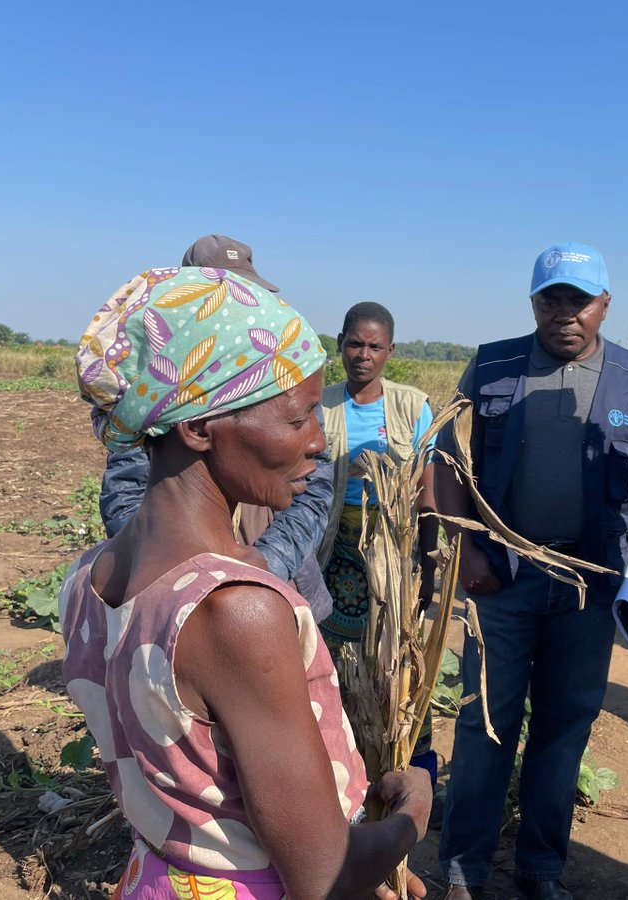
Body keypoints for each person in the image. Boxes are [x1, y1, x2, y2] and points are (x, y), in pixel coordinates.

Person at [63, 267, 431, 899]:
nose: (319, 443)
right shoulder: (235, 610)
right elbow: (323, 877)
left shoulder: (90, 577)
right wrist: (410, 817)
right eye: (298, 420)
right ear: (199, 427)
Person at [435, 242, 628, 900]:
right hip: (501, 578)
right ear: (533, 302)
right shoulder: (492, 364)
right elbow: (446, 462)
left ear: (604, 306)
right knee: (485, 723)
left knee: (565, 728)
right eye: (551, 298)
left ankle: (541, 870)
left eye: (580, 299)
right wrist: (467, 549)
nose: (566, 312)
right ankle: (463, 868)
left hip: (587, 584)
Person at [98, 235, 334, 614]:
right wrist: (179, 568)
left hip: (274, 584)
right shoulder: (156, 397)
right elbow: (125, 492)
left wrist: (264, 565)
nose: (315, 440)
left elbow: (316, 486)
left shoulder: (285, 381)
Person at [317, 301, 440, 784]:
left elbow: (428, 490)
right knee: (331, 664)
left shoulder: (411, 406)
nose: (362, 355)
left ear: (390, 351)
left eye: (374, 346)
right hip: (330, 550)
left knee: (398, 661)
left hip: (394, 550)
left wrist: (427, 565)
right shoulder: (319, 403)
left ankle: (413, 775)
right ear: (339, 345)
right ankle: (341, 776)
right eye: (354, 344)